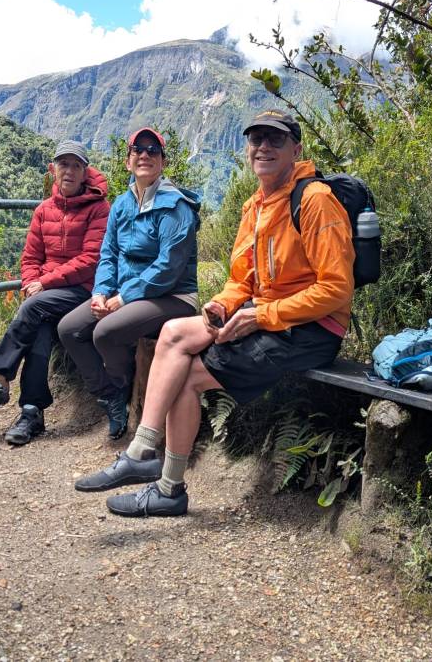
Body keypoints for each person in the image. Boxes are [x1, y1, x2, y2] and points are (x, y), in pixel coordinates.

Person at [74, 109, 355, 516]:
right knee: (173, 332)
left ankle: (168, 487)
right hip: (267, 315)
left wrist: (261, 316)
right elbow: (242, 279)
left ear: (296, 149)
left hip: (312, 329)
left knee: (187, 377)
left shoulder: (315, 202)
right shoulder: (255, 206)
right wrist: (222, 305)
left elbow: (336, 289)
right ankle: (142, 451)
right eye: (256, 139)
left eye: (275, 139)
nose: (263, 147)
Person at [57, 127, 200, 440]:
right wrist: (100, 292)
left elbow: (168, 268)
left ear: (163, 162)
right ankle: (109, 394)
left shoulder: (176, 206)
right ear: (128, 161)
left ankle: (122, 386)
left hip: (174, 296)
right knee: (69, 328)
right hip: (128, 294)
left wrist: (124, 299)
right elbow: (108, 254)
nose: (145, 155)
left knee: (106, 331)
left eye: (153, 150)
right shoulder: (122, 204)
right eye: (138, 150)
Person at [0, 140, 110, 445]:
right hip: (46, 295)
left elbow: (90, 260)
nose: (69, 171)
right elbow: (30, 258)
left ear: (85, 173)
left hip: (82, 289)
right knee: (40, 329)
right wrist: (33, 285)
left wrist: (44, 284)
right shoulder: (44, 210)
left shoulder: (99, 209)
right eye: (63, 164)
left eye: (76, 166)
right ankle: (31, 413)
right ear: (53, 169)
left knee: (34, 310)